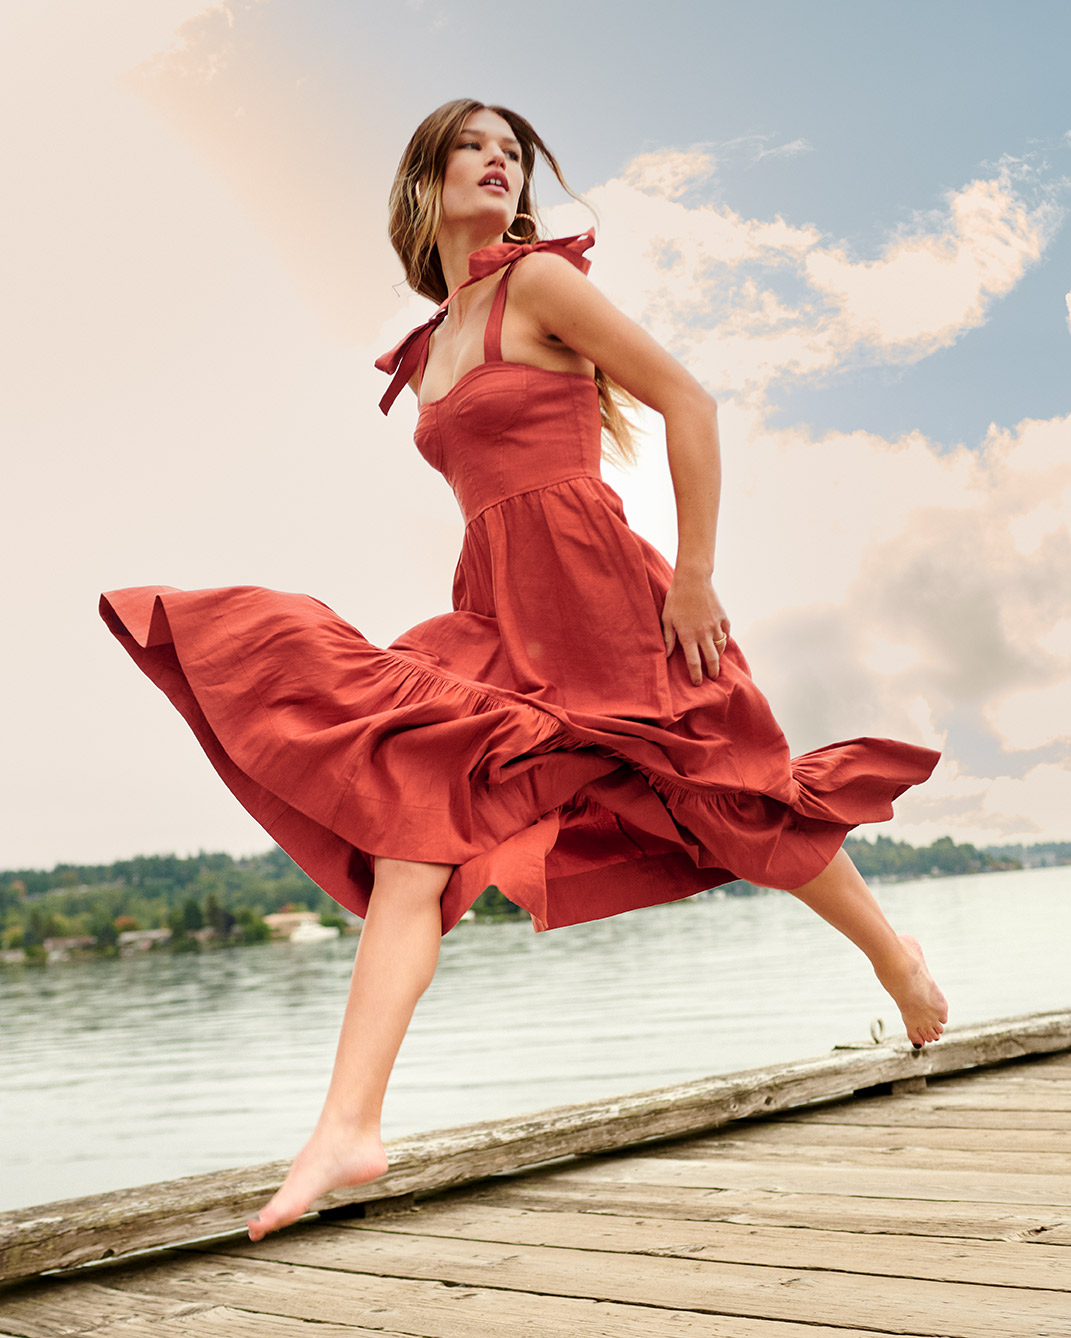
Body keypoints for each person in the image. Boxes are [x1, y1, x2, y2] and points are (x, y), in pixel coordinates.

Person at [99, 99, 948, 1242]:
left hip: (606, 590)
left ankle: (898, 962)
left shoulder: (536, 286)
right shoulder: (433, 340)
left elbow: (688, 400)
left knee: (733, 800)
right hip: (498, 607)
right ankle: (347, 1128)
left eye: (514, 153)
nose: (499, 164)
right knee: (416, 828)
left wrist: (693, 575)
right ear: (424, 182)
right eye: (474, 149)